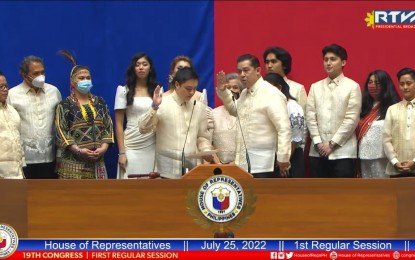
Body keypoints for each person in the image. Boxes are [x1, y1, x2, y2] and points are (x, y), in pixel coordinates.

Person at [217, 54, 292, 178]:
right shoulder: (245, 93)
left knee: (264, 197)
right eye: (239, 71)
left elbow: (284, 128)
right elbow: (234, 110)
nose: (242, 74)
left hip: (264, 164)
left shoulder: (271, 93)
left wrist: (283, 156)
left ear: (258, 70)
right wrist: (223, 92)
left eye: (246, 70)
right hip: (243, 163)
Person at [139, 67, 213, 179]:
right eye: (188, 89)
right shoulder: (162, 104)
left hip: (190, 171)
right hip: (165, 171)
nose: (192, 92)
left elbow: (202, 137)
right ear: (177, 85)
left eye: (194, 89)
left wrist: (206, 151)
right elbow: (143, 128)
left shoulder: (199, 107)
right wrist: (154, 107)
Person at [55, 51, 114, 179]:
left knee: (97, 197)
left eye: (88, 78)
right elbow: (61, 131)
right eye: (81, 78)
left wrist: (103, 148)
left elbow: (108, 127)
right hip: (73, 165)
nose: (85, 80)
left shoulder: (100, 102)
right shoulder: (64, 105)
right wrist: (78, 150)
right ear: (73, 82)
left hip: (97, 163)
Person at [306, 43, 362, 178]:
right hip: (317, 151)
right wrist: (318, 142)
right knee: (319, 194)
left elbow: (352, 119)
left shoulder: (352, 86)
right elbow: (310, 116)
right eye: (326, 60)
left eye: (333, 59)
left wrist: (332, 144)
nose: (328, 63)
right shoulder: (315, 87)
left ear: (343, 62)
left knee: (343, 194)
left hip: (343, 151)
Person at [7, 55, 62, 179]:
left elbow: (60, 125)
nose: (40, 76)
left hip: (50, 158)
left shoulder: (54, 92)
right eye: (35, 73)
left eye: (42, 72)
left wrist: (59, 155)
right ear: (24, 74)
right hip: (24, 160)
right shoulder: (12, 95)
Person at [114, 53, 158, 179]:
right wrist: (122, 152)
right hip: (131, 145)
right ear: (133, 68)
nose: (141, 68)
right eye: (137, 65)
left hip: (151, 144)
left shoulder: (157, 90)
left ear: (150, 68)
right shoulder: (123, 90)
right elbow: (118, 123)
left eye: (145, 64)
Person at [356, 70, 400, 178]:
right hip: (363, 155)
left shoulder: (393, 107)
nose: (372, 85)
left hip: (382, 156)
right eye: (370, 82)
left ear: (385, 85)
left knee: (382, 189)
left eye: (377, 83)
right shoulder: (363, 105)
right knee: (367, 190)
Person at [264, 72, 306, 178]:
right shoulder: (267, 106)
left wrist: (285, 161)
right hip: (272, 157)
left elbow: (295, 138)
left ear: (279, 88)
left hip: (291, 155)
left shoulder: (292, 106)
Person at [383, 67, 415, 177]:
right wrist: (394, 161)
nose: (405, 87)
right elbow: (386, 139)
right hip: (396, 169)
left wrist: (414, 162)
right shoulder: (392, 109)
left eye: (409, 83)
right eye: (402, 84)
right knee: (396, 195)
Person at [263, 47, 307, 111]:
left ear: (284, 65)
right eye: (267, 62)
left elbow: (304, 116)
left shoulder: (297, 88)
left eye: (273, 62)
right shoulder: (260, 87)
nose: (269, 66)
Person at [212, 73, 243, 164]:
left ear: (242, 90)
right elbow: (208, 143)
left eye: (235, 87)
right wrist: (219, 164)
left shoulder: (246, 112)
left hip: (242, 167)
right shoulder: (213, 113)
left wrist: (235, 163)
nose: (231, 90)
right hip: (218, 167)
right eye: (228, 88)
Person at [0, 71, 24, 179]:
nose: (5, 89)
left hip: (16, 174)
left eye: (6, 86)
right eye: (1, 87)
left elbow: (19, 139)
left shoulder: (13, 111)